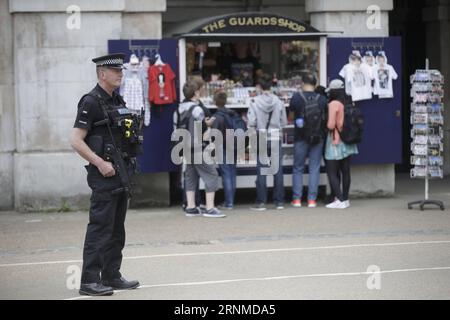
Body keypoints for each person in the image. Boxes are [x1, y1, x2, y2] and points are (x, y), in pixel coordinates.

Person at [70, 53, 140, 296]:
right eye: (115, 71)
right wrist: (99, 163)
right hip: (104, 175)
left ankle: (111, 275)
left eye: (121, 70)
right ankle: (89, 281)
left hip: (121, 173)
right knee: (100, 228)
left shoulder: (115, 99)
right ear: (102, 74)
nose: (120, 74)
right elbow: (76, 140)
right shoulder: (90, 101)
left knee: (116, 229)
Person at [177, 81, 225, 218]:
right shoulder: (197, 110)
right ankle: (210, 208)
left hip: (184, 145)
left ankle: (191, 207)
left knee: (190, 175)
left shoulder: (179, 108)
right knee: (212, 174)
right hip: (197, 146)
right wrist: (208, 124)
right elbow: (202, 128)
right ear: (195, 93)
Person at [247, 75, 288, 211]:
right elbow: (284, 122)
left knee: (262, 170)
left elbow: (251, 122)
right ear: (271, 86)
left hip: (262, 136)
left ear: (259, 87)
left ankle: (261, 202)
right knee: (277, 170)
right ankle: (279, 202)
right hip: (275, 136)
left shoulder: (254, 102)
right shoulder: (279, 101)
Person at [289, 72, 327, 208]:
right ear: (315, 84)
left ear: (302, 83)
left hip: (300, 137)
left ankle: (297, 199)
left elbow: (291, 115)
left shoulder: (296, 98)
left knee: (298, 167)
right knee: (314, 168)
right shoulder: (322, 99)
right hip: (318, 137)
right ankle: (312, 200)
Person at [324, 79, 359, 209]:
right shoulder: (349, 100)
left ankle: (339, 200)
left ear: (333, 91)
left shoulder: (334, 104)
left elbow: (331, 124)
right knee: (346, 171)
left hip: (335, 140)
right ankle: (345, 198)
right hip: (348, 140)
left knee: (331, 171)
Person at [212, 91, 237, 210]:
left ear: (215, 102)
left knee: (226, 174)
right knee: (232, 173)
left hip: (222, 146)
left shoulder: (217, 117)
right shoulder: (232, 114)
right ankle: (231, 200)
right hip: (233, 145)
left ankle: (229, 203)